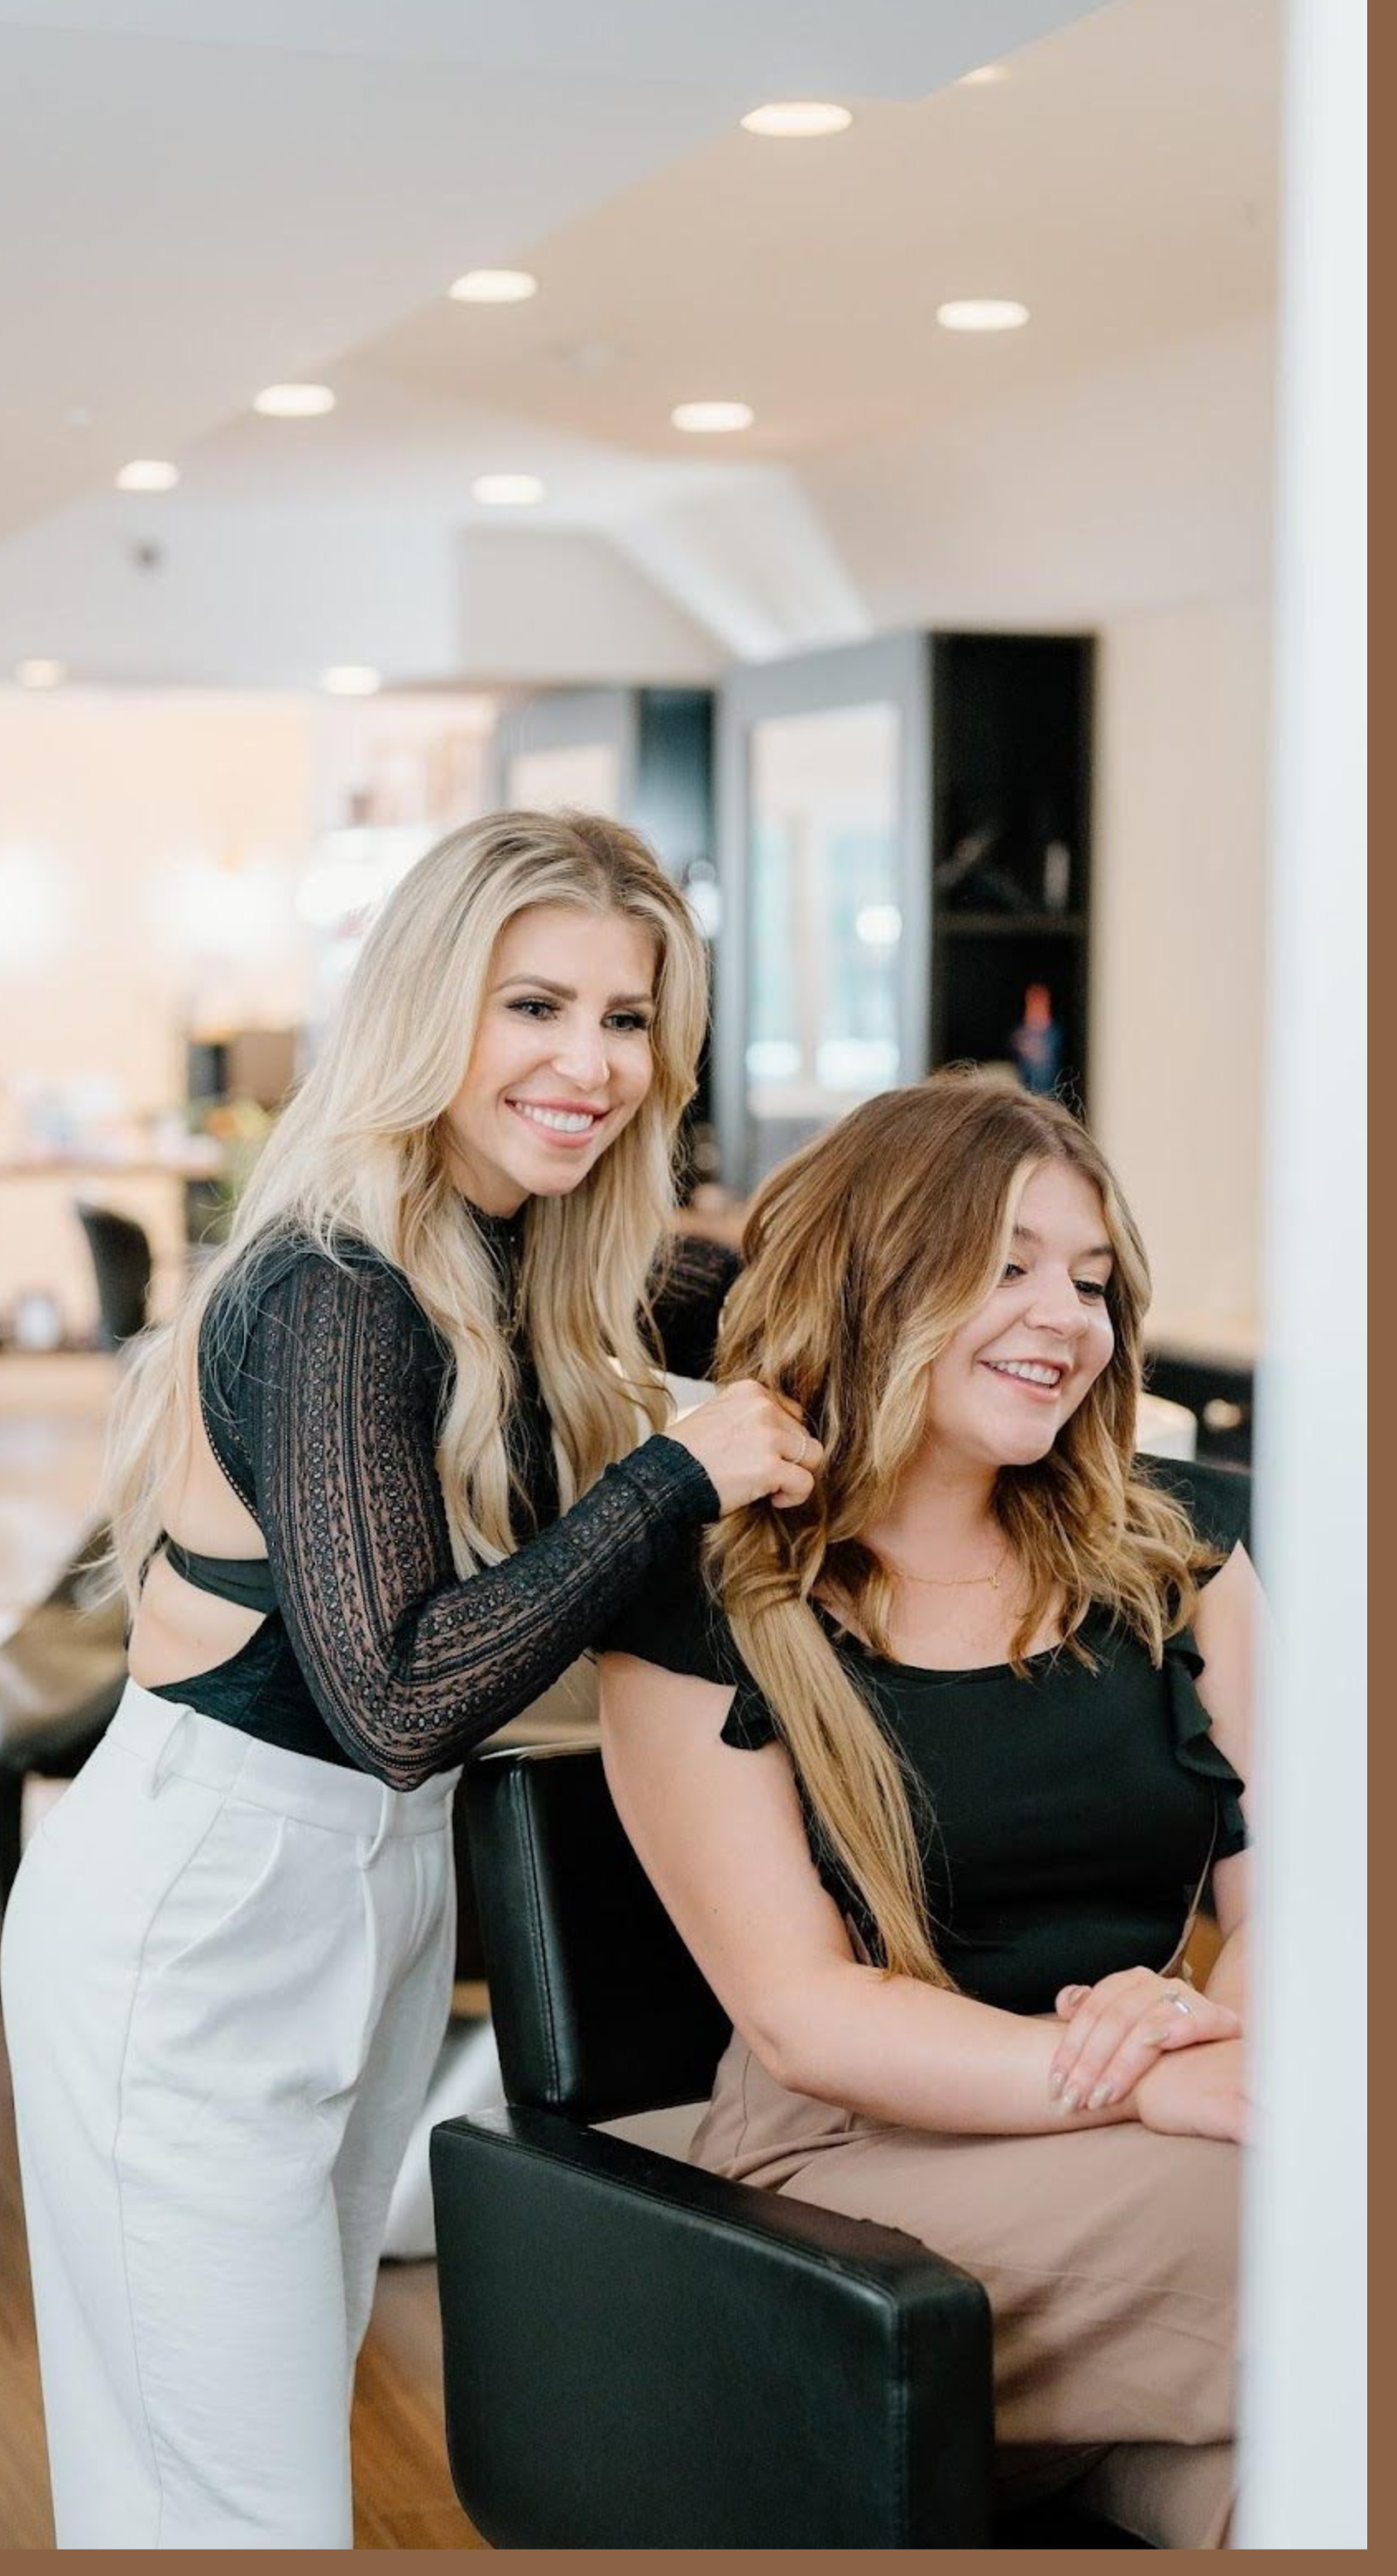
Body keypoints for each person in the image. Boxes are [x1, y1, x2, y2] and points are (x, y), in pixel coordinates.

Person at [0, 809, 817, 2549]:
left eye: (625, 1019)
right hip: (203, 1910)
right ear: (427, 1008)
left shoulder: (523, 1253)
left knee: (257, 2456)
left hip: (369, 1900)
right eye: (536, 1007)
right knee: (233, 2507)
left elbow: (769, 1305)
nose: (589, 1066)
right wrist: (673, 1479)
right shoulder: (333, 1288)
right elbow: (394, 1702)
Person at [598, 1071, 1258, 2551]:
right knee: (1321, 2236)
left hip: (1132, 2186)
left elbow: (1307, 1893)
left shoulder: (1183, 1552)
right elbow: (803, 2021)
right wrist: (1143, 2079)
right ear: (871, 1280)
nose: (1063, 1317)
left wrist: (1230, 2041)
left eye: (1088, 1279)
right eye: (1006, 1266)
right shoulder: (702, 1599)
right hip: (852, 2194)